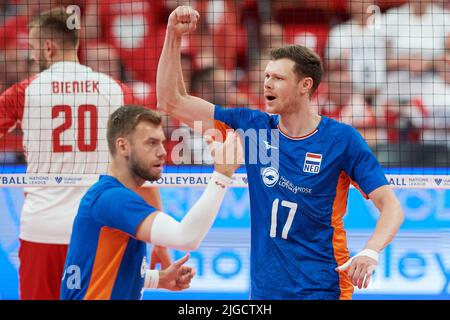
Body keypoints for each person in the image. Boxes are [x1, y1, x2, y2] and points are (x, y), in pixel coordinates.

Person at [156, 5, 405, 299]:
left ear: (305, 86)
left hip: (323, 287)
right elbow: (170, 101)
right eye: (266, 76)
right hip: (265, 292)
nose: (267, 84)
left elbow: (392, 207)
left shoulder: (341, 140)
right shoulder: (253, 128)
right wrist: (173, 35)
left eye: (278, 78)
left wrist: (371, 251)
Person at [0, 8, 169, 300]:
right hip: (100, 229)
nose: (31, 55)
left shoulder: (24, 92)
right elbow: (144, 171)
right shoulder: (117, 91)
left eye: (32, 47)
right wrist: (161, 240)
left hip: (43, 229)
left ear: (48, 47)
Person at [60, 105, 243, 300]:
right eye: (151, 143)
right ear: (123, 146)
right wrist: (223, 174)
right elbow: (186, 238)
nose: (163, 152)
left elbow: (102, 270)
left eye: (162, 143)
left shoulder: (111, 195)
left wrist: (159, 279)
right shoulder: (114, 199)